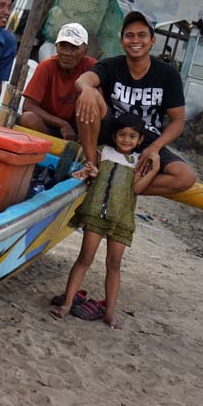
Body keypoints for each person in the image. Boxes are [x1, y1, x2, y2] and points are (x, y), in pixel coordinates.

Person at [51, 113, 160, 329]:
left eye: (132, 136)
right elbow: (94, 171)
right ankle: (68, 303)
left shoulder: (138, 162)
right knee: (84, 258)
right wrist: (90, 170)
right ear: (114, 135)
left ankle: (109, 312)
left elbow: (137, 189)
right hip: (96, 215)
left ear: (139, 140)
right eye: (122, 134)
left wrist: (155, 169)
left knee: (114, 264)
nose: (126, 140)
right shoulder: (104, 152)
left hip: (121, 219)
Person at [74, 11, 196, 196]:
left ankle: (120, 187)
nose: (135, 40)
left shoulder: (168, 74)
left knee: (185, 177)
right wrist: (87, 89)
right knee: (88, 94)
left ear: (153, 41)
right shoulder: (111, 65)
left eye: (142, 35)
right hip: (114, 132)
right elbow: (83, 80)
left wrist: (154, 148)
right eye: (129, 35)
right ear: (121, 42)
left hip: (147, 139)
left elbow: (178, 122)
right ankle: (93, 167)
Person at [18, 23, 97, 140]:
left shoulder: (92, 66)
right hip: (47, 125)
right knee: (27, 118)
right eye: (62, 46)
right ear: (56, 46)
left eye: (74, 48)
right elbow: (28, 106)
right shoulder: (46, 67)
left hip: (78, 128)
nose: (66, 53)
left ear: (85, 50)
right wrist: (61, 123)